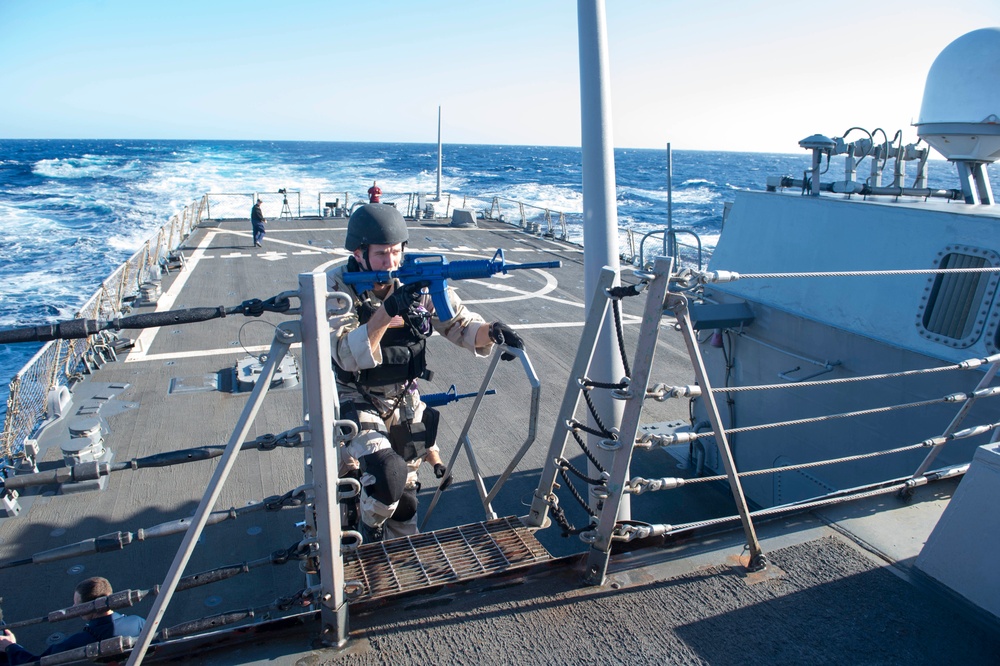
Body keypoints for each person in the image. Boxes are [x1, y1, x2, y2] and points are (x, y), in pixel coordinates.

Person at [328, 203, 523, 542]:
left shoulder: (414, 278)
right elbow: (346, 354)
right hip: (357, 397)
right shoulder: (338, 287)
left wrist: (491, 331)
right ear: (359, 254)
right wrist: (389, 309)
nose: (390, 262)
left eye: (395, 252)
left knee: (404, 501)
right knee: (387, 474)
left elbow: (460, 326)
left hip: (404, 399)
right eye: (380, 254)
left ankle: (397, 555)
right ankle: (365, 526)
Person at [0, 577, 145, 665]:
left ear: (92, 607)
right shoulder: (139, 623)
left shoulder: (77, 643)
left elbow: (35, 664)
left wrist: (10, 647)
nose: (74, 608)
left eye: (77, 605)